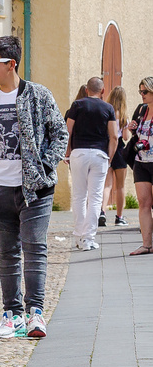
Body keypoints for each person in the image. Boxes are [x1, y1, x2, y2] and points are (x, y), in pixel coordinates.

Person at [0, 35, 69, 339]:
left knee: (35, 248)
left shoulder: (38, 95)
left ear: (12, 64)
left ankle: (36, 313)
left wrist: (44, 166)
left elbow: (60, 134)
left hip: (35, 190)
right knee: (6, 253)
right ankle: (12, 315)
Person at [64, 77, 117, 251]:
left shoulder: (77, 105)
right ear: (102, 91)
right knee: (95, 198)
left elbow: (68, 130)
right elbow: (114, 136)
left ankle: (79, 236)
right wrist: (109, 158)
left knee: (79, 196)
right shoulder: (108, 108)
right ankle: (89, 238)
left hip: (79, 153)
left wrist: (67, 152)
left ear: (86, 89)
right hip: (99, 154)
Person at [129, 78, 153, 257]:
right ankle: (146, 245)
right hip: (141, 161)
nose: (142, 95)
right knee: (144, 203)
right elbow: (137, 134)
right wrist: (133, 129)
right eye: (140, 92)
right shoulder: (141, 110)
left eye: (145, 92)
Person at [106, 85, 132, 227]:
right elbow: (126, 137)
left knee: (106, 184)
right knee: (120, 186)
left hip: (108, 148)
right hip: (120, 149)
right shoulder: (123, 117)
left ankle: (102, 213)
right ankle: (119, 217)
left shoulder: (107, 113)